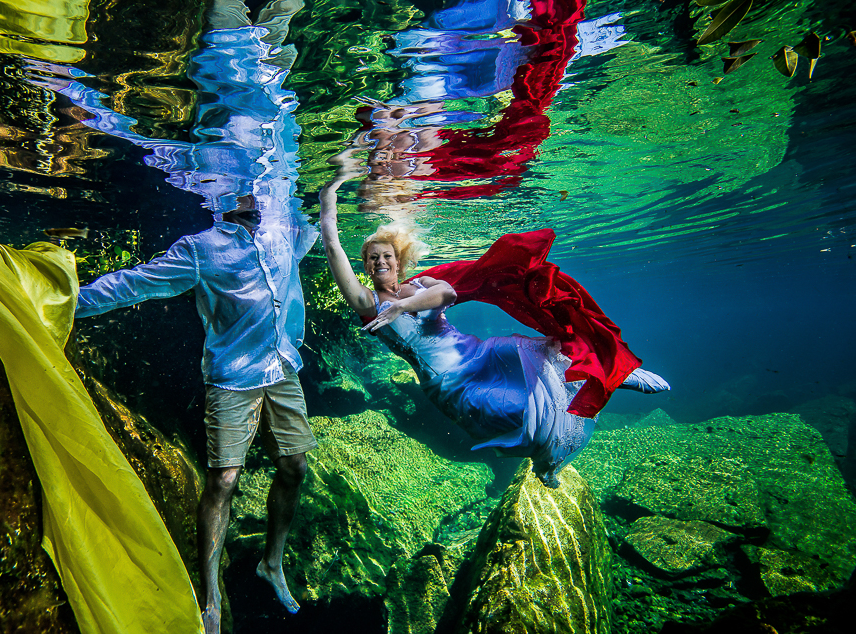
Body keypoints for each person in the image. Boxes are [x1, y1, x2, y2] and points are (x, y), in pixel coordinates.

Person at [319, 172, 668, 487]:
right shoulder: (367, 304)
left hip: (479, 352)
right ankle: (548, 460)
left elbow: (449, 292)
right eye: (372, 258)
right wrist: (328, 196)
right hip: (450, 381)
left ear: (399, 261)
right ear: (364, 265)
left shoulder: (418, 285)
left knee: (552, 348)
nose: (380, 261)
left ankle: (616, 374)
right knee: (518, 412)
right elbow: (333, 247)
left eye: (387, 256)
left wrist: (402, 306)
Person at [76, 194, 316, 630]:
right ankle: (211, 598)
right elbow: (137, 282)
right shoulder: (202, 249)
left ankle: (272, 563)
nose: (258, 195)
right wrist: (72, 303)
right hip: (232, 376)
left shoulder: (284, 232)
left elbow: (323, 227)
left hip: (281, 367)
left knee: (295, 466)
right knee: (223, 480)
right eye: (244, 187)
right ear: (219, 193)